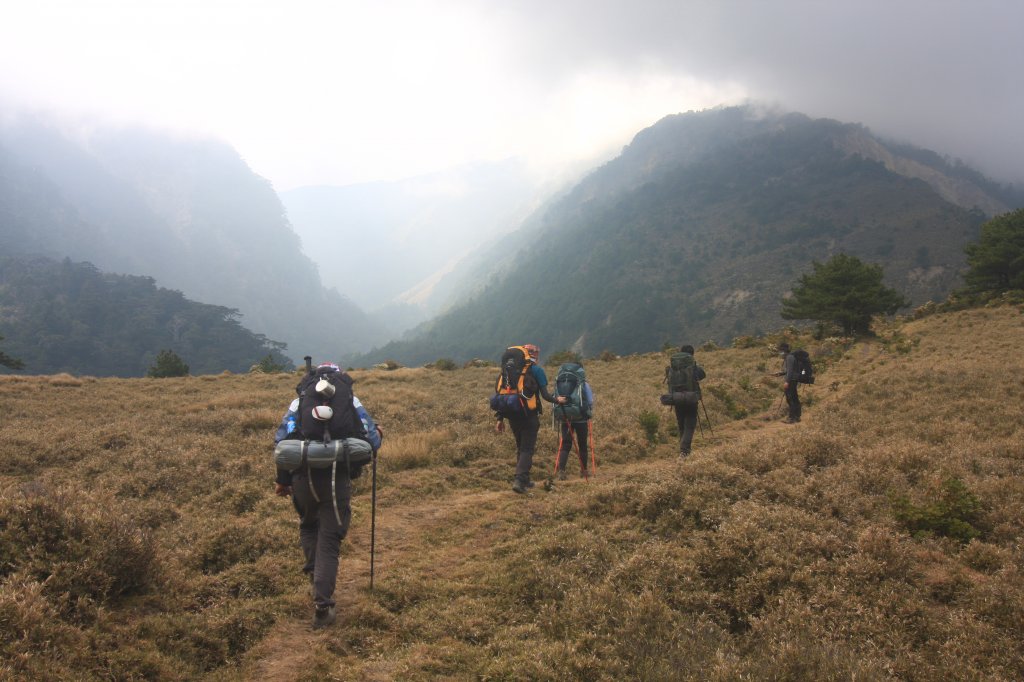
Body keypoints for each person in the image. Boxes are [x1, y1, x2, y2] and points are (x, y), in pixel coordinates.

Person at [274, 362, 383, 629]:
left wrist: (282, 480)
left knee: (309, 526)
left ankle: (315, 576)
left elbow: (281, 439)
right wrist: (378, 435)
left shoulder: (299, 401)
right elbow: (371, 437)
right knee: (330, 537)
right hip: (336, 479)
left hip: (302, 477)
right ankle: (322, 606)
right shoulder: (350, 400)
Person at [494, 344, 557, 494]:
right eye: (536, 351)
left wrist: (500, 419)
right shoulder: (536, 370)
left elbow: (502, 395)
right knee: (527, 449)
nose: (537, 353)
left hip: (512, 415)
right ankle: (520, 480)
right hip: (529, 416)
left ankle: (525, 479)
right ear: (532, 354)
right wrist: (560, 400)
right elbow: (546, 396)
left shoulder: (506, 372)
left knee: (521, 447)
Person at [554, 366, 595, 481]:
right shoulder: (583, 384)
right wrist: (589, 411)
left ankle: (561, 471)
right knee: (582, 444)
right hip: (581, 418)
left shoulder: (560, 382)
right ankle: (584, 471)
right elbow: (590, 401)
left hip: (565, 416)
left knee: (565, 444)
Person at [671, 344, 706, 458]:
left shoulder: (673, 367)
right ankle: (684, 452)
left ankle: (683, 450)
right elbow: (702, 375)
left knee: (681, 425)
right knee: (690, 425)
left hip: (676, 399)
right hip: (691, 399)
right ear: (692, 355)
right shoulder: (693, 366)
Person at [777, 342, 801, 423]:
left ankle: (791, 418)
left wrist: (787, 381)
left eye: (780, 351)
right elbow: (788, 371)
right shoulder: (790, 357)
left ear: (784, 350)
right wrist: (780, 373)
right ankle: (797, 417)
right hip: (793, 379)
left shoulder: (789, 358)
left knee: (790, 399)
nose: (780, 353)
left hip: (791, 380)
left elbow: (790, 371)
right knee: (794, 398)